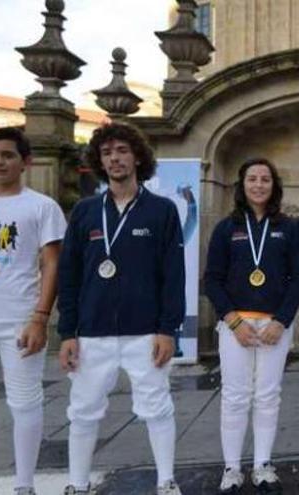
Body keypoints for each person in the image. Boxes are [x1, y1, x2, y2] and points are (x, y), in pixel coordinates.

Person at [57, 123, 185, 495]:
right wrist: (67, 332)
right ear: (99, 161)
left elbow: (173, 275)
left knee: (157, 408)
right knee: (82, 412)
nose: (114, 158)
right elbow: (70, 275)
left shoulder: (161, 210)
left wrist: (167, 329)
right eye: (107, 152)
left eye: (122, 150)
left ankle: (166, 481)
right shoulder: (84, 212)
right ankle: (77, 484)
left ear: (138, 156)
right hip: (91, 332)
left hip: (145, 332)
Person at [204, 158, 299, 494]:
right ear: (242, 185)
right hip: (237, 325)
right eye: (252, 179)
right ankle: (232, 468)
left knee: (267, 395)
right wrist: (233, 322)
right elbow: (213, 280)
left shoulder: (288, 228)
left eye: (265, 179)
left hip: (275, 325)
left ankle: (263, 464)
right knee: (235, 396)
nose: (259, 185)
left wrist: (282, 320)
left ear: (274, 185)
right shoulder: (226, 228)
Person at [0, 127, 66, 495]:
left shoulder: (41, 206)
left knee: (24, 403)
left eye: (7, 155)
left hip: (19, 319)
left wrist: (40, 318)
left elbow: (51, 264)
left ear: (25, 162)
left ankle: (24, 485)